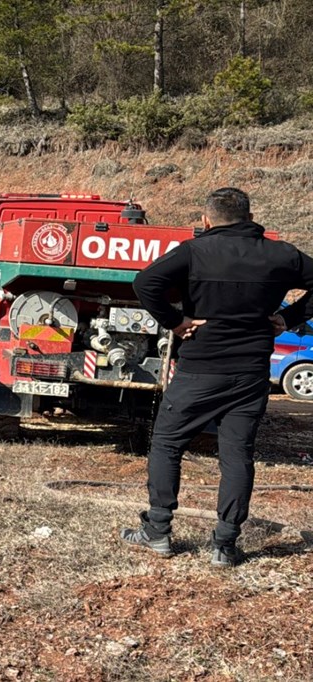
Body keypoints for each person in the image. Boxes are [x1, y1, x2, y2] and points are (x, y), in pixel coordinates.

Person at [121, 187, 313, 568]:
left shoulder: (195, 251)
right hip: (251, 374)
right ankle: (225, 544)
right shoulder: (280, 253)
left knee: (166, 444)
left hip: (199, 370)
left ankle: (158, 531)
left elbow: (145, 284)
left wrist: (176, 322)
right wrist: (288, 318)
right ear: (248, 216)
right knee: (237, 455)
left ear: (207, 220)